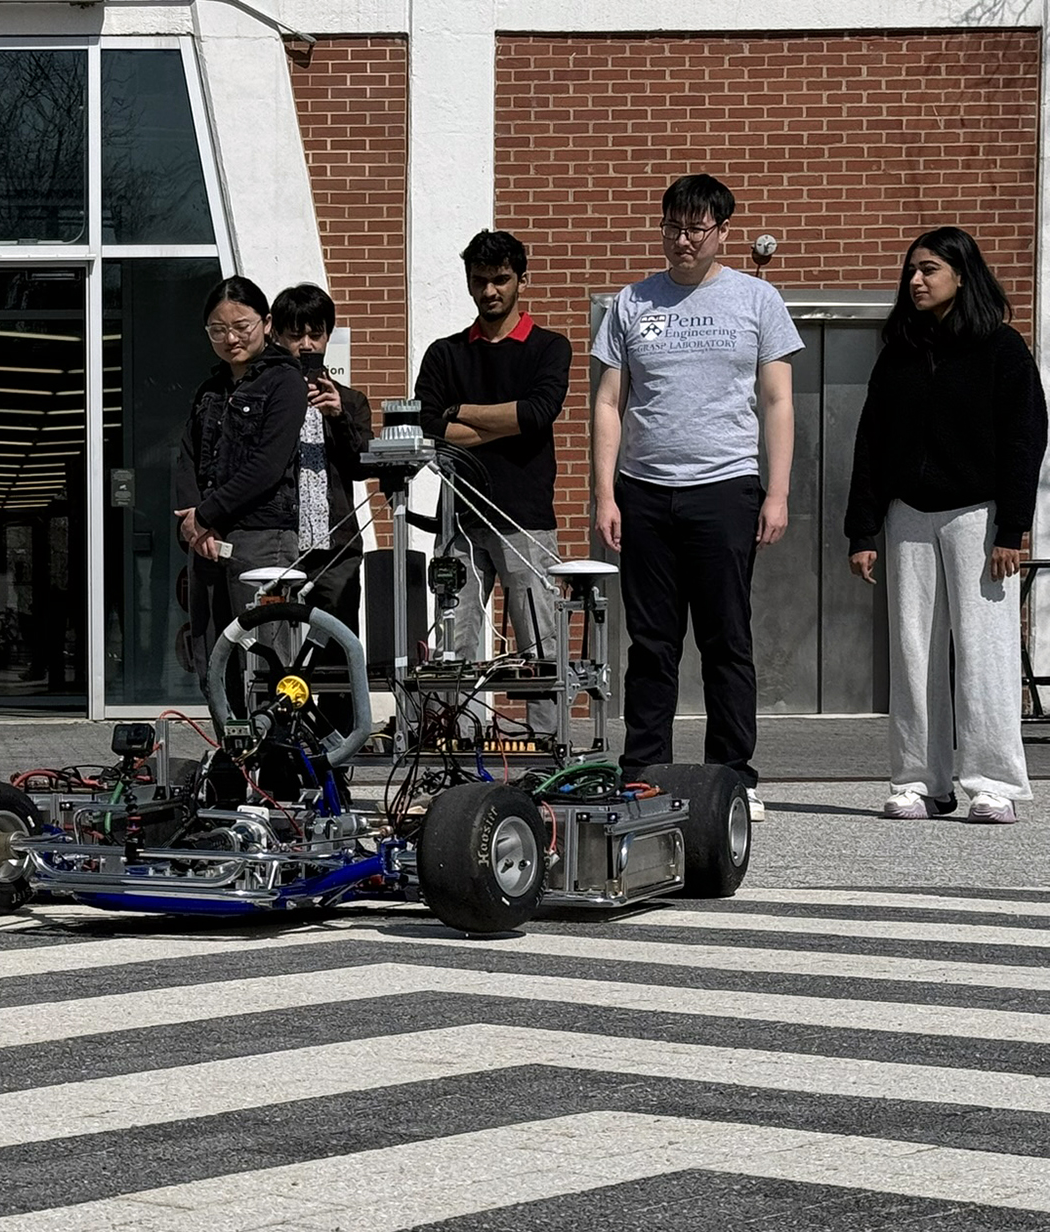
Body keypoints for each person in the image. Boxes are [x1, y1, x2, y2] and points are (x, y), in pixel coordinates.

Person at [592, 174, 802, 821]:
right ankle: (644, 768)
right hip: (646, 493)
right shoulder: (632, 304)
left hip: (726, 489)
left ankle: (734, 773)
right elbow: (607, 403)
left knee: (725, 638)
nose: (682, 240)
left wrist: (778, 492)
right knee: (651, 643)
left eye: (696, 228)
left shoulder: (756, 300)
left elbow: (777, 400)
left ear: (722, 233)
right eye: (672, 226)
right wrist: (604, 492)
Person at [844, 227, 1047, 824]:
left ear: (962, 274)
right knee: (913, 653)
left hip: (979, 519)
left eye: (929, 269)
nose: (915, 281)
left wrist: (1012, 527)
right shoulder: (899, 354)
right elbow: (871, 446)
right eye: (911, 271)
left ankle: (995, 782)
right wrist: (862, 531)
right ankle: (919, 781)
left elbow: (1024, 438)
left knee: (985, 651)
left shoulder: (1002, 348)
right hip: (907, 516)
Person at [413, 230, 573, 735]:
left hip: (524, 519)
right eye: (480, 280)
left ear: (522, 281)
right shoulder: (445, 354)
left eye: (501, 280)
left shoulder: (549, 347)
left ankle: (548, 749)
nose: (490, 291)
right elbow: (427, 426)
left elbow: (538, 413)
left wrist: (461, 414)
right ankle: (455, 750)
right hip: (457, 518)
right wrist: (502, 421)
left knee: (540, 645)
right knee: (453, 644)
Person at [175, 276, 309, 720]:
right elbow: (187, 459)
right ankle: (230, 755)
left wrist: (207, 514)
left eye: (242, 326)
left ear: (267, 323)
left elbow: (267, 466)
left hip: (262, 537)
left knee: (266, 656)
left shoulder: (285, 382)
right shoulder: (209, 389)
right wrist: (193, 525)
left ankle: (274, 758)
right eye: (217, 329)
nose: (230, 338)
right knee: (212, 654)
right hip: (207, 543)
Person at [269, 283, 373, 630]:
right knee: (278, 645)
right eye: (296, 335)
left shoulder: (352, 401)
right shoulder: (267, 396)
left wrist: (338, 417)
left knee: (336, 646)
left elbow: (360, 467)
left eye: (316, 334)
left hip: (336, 548)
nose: (307, 345)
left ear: (328, 336)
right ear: (277, 336)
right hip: (281, 542)